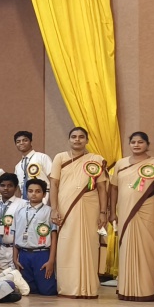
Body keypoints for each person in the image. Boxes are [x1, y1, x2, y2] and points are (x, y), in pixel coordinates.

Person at [48, 126, 108, 298]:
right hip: (65, 207)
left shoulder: (96, 159)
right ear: (69, 139)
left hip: (90, 206)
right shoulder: (60, 157)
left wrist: (103, 212)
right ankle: (68, 287)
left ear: (87, 140)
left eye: (81, 137)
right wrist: (54, 209)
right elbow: (54, 184)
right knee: (67, 244)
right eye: (74, 136)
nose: (77, 140)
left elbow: (102, 188)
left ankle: (89, 288)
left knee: (89, 244)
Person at [109, 132, 154, 302]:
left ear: (147, 144)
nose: (137, 145)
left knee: (148, 248)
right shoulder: (121, 163)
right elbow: (113, 188)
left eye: (141, 142)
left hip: (149, 211)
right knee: (126, 248)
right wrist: (112, 211)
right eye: (133, 142)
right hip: (125, 211)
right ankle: (126, 288)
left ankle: (146, 290)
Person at [13, 180, 57, 296]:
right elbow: (15, 235)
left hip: (41, 254)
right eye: (30, 191)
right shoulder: (20, 212)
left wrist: (51, 260)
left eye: (38, 191)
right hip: (23, 254)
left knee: (47, 290)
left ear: (44, 194)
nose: (34, 194)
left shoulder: (49, 211)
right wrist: (15, 258)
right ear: (26, 193)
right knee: (27, 290)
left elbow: (53, 236)